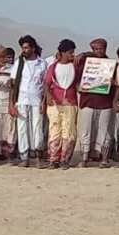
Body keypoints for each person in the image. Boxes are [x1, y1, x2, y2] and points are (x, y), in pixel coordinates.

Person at [76, 38, 116, 168]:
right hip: (87, 101)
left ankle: (104, 158)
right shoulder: (85, 62)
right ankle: (84, 158)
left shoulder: (111, 65)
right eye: (96, 49)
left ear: (105, 49)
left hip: (105, 102)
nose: (99, 51)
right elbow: (77, 79)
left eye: (101, 48)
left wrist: (113, 84)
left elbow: (116, 84)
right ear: (92, 49)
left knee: (105, 131)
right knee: (85, 130)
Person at [9, 35, 48, 168]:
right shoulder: (19, 63)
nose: (24, 50)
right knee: (22, 128)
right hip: (21, 99)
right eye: (22, 48)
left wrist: (44, 101)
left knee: (37, 127)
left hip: (37, 99)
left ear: (33, 48)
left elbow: (45, 84)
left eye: (26, 48)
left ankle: (38, 156)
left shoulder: (42, 63)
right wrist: (11, 104)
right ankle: (24, 157)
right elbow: (13, 84)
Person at [43, 39, 80, 169]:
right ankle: (54, 159)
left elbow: (79, 83)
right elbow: (46, 84)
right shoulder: (53, 67)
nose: (72, 55)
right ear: (63, 53)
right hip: (54, 103)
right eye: (70, 52)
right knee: (54, 130)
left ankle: (65, 159)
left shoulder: (75, 67)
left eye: (73, 52)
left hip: (70, 103)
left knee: (69, 131)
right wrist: (48, 96)